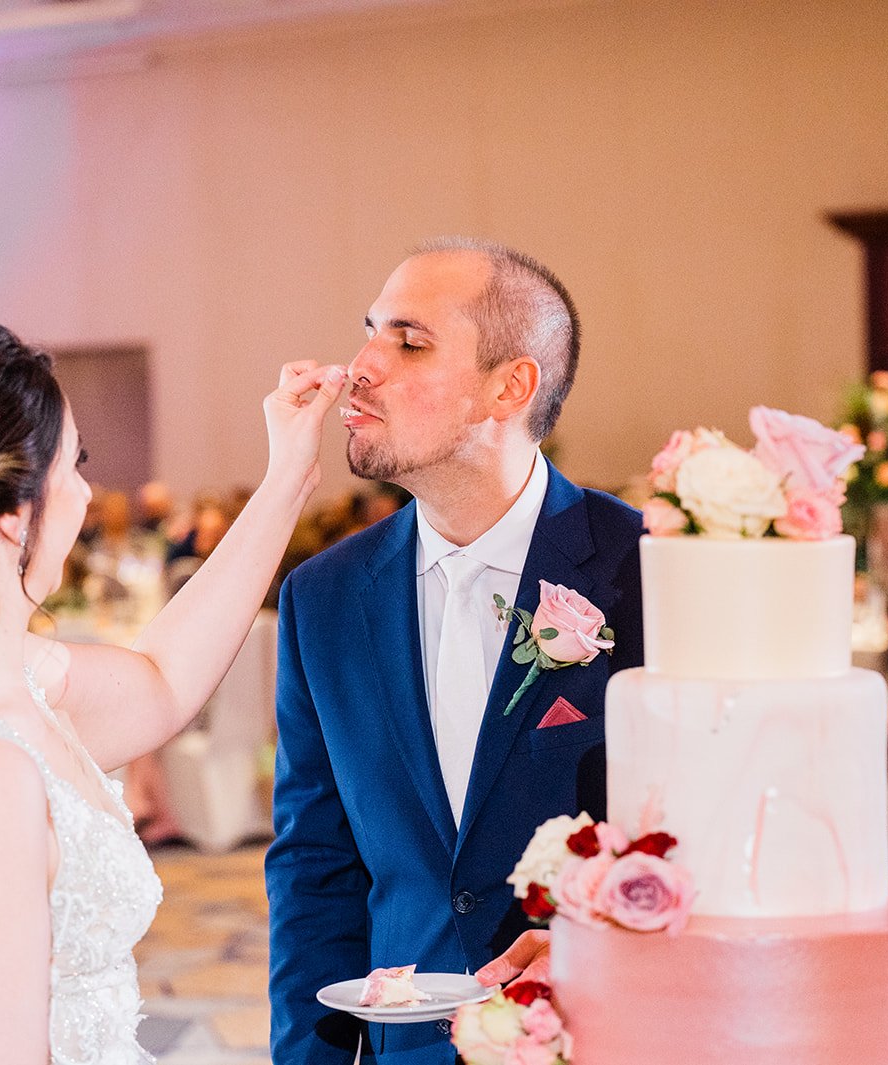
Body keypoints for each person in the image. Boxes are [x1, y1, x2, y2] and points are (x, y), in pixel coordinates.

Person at [0, 313, 341, 1064]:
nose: (84, 494)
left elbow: (163, 682)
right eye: (73, 465)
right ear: (16, 514)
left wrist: (288, 478)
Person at [266, 238, 645, 1064]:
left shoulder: (644, 570)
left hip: (608, 1033)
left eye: (408, 341)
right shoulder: (322, 599)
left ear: (509, 387)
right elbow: (314, 867)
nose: (360, 365)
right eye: (369, 331)